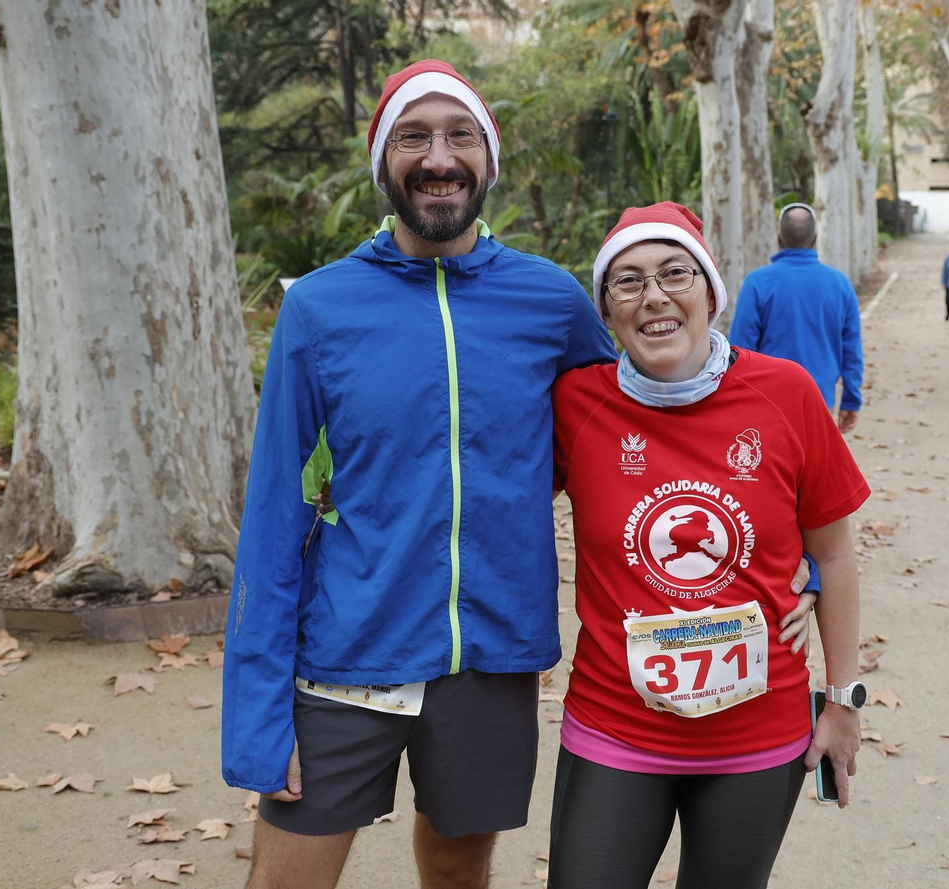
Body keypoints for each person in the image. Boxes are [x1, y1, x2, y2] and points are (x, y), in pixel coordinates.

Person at [220, 61, 820, 889]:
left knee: (460, 870)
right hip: (346, 652)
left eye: (460, 135)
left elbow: (660, 426)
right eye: (415, 138)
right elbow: (274, 516)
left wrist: (800, 557)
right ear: (385, 163)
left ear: (488, 160)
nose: (439, 157)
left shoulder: (550, 300)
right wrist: (256, 711)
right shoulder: (319, 309)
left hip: (493, 665)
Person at [548, 202, 870, 889]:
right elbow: (488, 503)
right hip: (615, 726)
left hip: (757, 736)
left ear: (712, 292)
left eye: (675, 273)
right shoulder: (576, 403)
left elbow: (837, 554)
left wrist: (843, 701)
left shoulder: (785, 392)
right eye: (628, 282)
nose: (655, 296)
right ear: (606, 309)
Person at [729, 203, 863, 434]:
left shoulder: (757, 282)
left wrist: (738, 404)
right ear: (816, 238)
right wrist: (851, 400)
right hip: (821, 401)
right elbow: (852, 349)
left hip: (768, 402)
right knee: (815, 468)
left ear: (779, 238)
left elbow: (740, 350)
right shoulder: (839, 283)